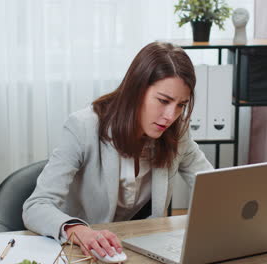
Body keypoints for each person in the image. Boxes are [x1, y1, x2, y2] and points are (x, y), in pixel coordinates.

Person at [22, 41, 213, 259]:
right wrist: (78, 230)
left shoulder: (176, 133)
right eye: (164, 100)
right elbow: (36, 206)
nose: (171, 116)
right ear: (136, 90)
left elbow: (213, 185)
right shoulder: (83, 127)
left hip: (132, 247)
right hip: (77, 251)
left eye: (181, 105)